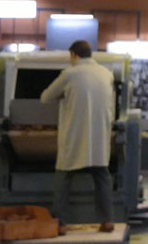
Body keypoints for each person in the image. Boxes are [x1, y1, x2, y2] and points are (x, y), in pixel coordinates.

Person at [40, 40, 115, 233]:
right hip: (99, 135)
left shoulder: (69, 74)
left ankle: (60, 223)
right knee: (102, 176)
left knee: (63, 177)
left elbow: (46, 97)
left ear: (74, 55)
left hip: (75, 135)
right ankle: (107, 220)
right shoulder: (107, 74)